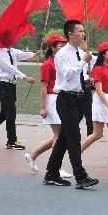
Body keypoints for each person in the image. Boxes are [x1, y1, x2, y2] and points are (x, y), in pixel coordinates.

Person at [43, 20, 98, 189]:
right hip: (66, 99)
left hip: (78, 98)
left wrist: (87, 81)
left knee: (64, 139)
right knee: (74, 138)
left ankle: (51, 173)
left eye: (83, 31)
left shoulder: (78, 52)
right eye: (80, 31)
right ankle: (80, 176)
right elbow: (67, 75)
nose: (83, 34)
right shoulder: (62, 54)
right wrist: (83, 61)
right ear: (70, 34)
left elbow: (77, 76)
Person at [24, 34, 72, 178]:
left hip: (60, 99)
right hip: (52, 100)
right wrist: (43, 107)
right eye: (60, 46)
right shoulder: (47, 64)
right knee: (59, 136)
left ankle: (32, 155)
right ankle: (55, 168)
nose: (63, 48)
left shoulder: (59, 63)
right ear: (52, 48)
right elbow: (44, 87)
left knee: (58, 136)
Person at [0, 46, 39, 149]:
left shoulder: (11, 50)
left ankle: (10, 140)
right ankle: (11, 141)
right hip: (3, 85)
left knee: (4, 114)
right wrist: (24, 77)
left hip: (11, 85)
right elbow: (9, 67)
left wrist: (34, 55)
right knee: (11, 112)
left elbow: (21, 54)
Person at [81, 42, 108, 155]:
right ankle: (77, 153)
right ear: (103, 54)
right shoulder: (97, 69)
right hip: (102, 101)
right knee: (97, 133)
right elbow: (98, 90)